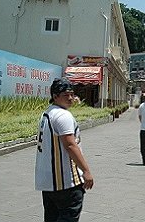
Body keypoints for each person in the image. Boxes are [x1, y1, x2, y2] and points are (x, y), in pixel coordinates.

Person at [35, 77, 94, 222]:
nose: (70, 98)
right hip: (65, 181)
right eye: (65, 95)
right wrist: (86, 171)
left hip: (48, 183)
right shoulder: (63, 115)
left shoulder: (47, 113)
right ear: (55, 96)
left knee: (52, 217)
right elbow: (70, 145)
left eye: (72, 94)